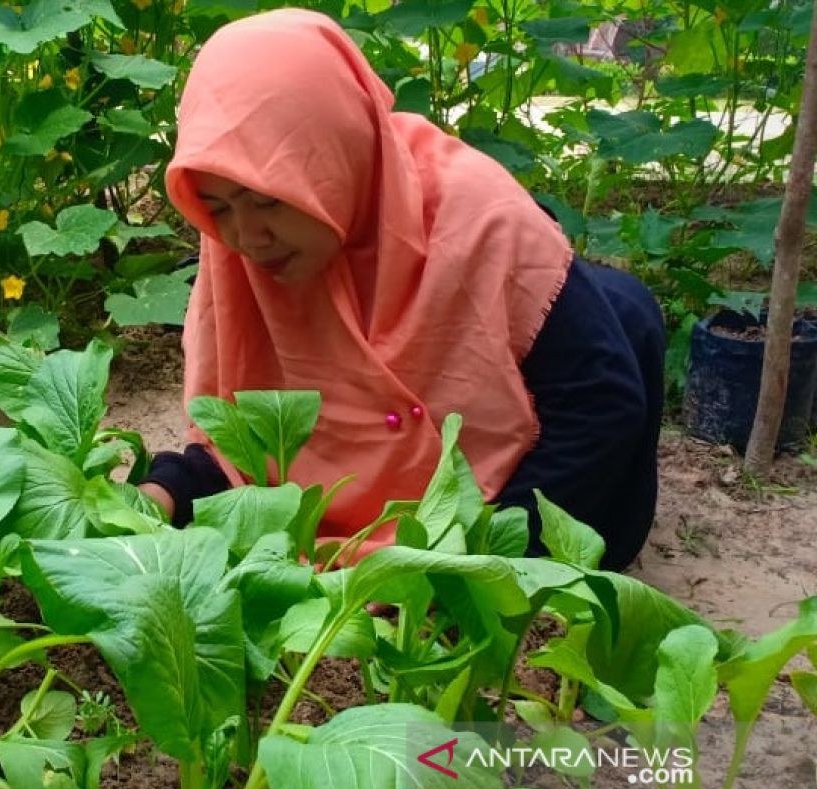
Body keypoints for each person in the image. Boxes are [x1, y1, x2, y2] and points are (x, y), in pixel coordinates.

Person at [136, 8, 664, 572]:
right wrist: (159, 495)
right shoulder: (238, 258)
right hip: (419, 532)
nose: (246, 236)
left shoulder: (474, 219)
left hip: (518, 494)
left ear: (334, 154)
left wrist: (479, 561)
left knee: (625, 312)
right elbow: (243, 448)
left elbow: (599, 408)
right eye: (216, 209)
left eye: (268, 199)